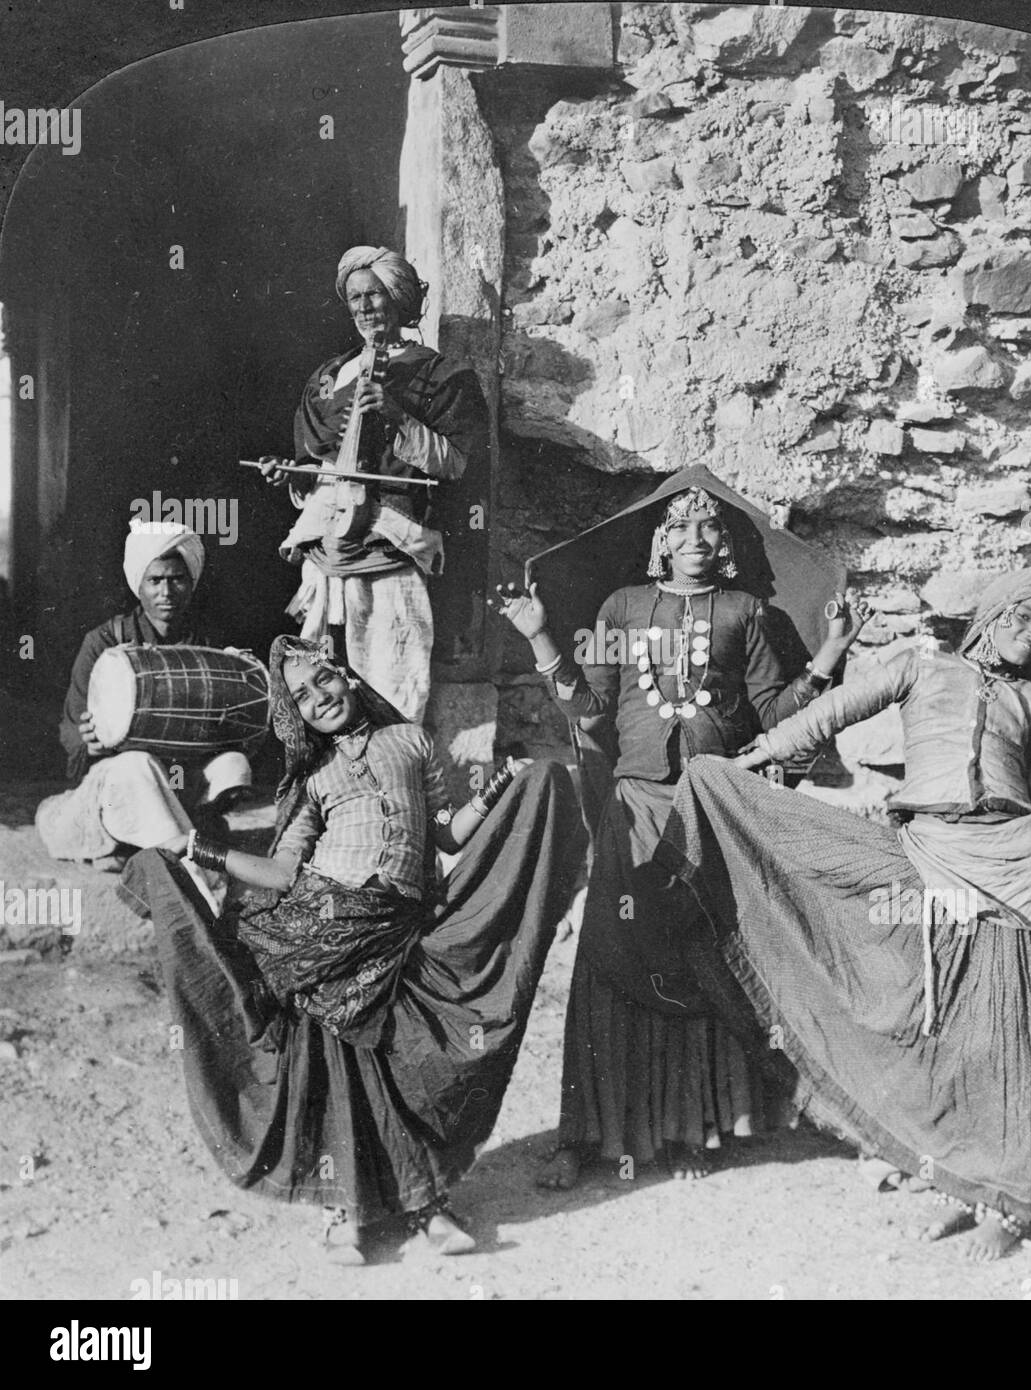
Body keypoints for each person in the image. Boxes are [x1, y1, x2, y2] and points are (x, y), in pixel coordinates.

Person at [657, 565, 1031, 1259]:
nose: (1029, 637)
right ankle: (959, 1186)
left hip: (1028, 865)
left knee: (1013, 1038)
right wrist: (755, 756)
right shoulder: (918, 667)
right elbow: (825, 717)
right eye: (1019, 619)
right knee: (952, 1038)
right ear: (990, 615)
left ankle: (1012, 1201)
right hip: (931, 858)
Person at [118, 635, 586, 1262]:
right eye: (303, 699)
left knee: (401, 1059)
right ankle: (349, 1212)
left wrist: (503, 779)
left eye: (323, 682)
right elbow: (285, 874)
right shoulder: (311, 778)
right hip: (322, 929)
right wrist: (201, 852)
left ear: (347, 676)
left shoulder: (411, 741)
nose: (319, 700)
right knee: (331, 1053)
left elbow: (446, 834)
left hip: (398, 926)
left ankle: (424, 1201)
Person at [499, 484, 870, 1187]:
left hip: (713, 808)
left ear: (725, 544)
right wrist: (541, 637)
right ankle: (585, 1135)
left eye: (709, 528)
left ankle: (693, 1128)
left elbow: (772, 713)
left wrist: (828, 654)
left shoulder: (746, 613)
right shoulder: (622, 606)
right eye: (681, 527)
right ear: (661, 541)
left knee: (702, 959)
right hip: (634, 806)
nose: (695, 538)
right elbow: (591, 709)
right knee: (611, 958)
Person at [258, 245, 489, 723]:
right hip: (328, 551)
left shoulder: (443, 376)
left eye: (376, 295)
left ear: (400, 299)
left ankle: (394, 778)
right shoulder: (327, 378)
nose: (364, 308)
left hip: (391, 553)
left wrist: (397, 415)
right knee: (322, 678)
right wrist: (293, 476)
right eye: (355, 297)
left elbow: (460, 465)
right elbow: (316, 467)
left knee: (391, 679)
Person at [36, 520, 253, 897]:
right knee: (138, 765)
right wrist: (90, 742)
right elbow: (70, 730)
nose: (166, 591)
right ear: (138, 583)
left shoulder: (207, 646)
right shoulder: (104, 641)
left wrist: (238, 684)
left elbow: (231, 731)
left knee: (235, 765)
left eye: (177, 579)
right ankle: (195, 865)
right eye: (154, 580)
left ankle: (164, 841)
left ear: (192, 581)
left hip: (180, 782)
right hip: (117, 784)